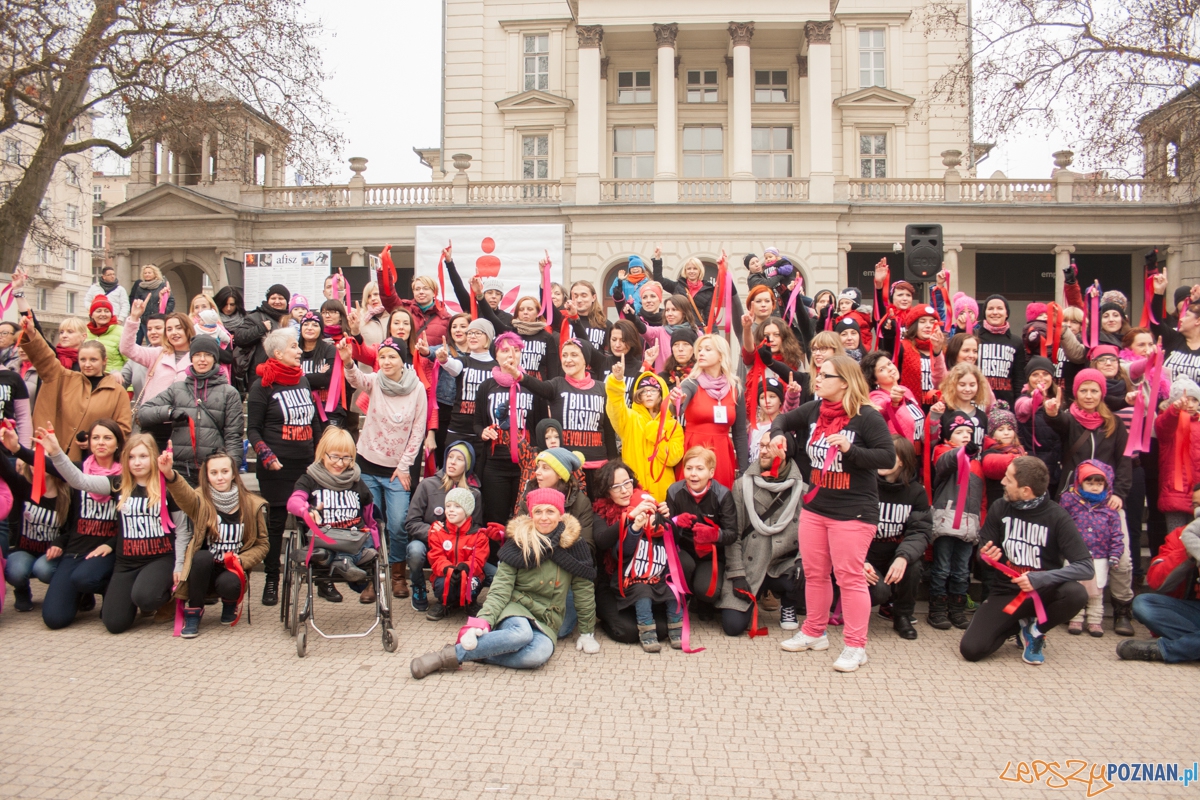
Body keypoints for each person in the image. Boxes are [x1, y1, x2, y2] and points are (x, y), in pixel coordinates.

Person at [770, 354, 895, 672]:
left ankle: (856, 646)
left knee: (850, 578)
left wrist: (852, 450)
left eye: (824, 376)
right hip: (816, 508)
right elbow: (782, 420)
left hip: (853, 512)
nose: (818, 380)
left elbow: (887, 457)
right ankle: (814, 632)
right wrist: (778, 437)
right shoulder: (814, 410)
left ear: (844, 382)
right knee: (814, 573)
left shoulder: (866, 417)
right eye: (818, 374)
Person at [409, 487, 599, 678]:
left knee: (537, 656)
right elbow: (500, 588)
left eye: (550, 511)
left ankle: (481, 653)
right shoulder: (518, 542)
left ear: (560, 515)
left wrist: (587, 632)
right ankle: (447, 656)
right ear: (531, 514)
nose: (544, 517)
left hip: (547, 618)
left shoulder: (575, 546)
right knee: (521, 634)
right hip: (516, 608)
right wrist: (483, 621)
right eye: (538, 511)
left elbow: (583, 590)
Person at [43, 429, 187, 634]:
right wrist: (57, 452)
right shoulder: (119, 484)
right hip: (126, 563)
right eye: (132, 457)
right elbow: (80, 481)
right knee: (114, 624)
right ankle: (130, 593)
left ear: (154, 457)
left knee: (146, 597)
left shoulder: (168, 485)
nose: (137, 462)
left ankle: (166, 598)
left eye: (143, 456)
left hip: (160, 558)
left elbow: (182, 529)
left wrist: (179, 565)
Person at [959, 457, 1093, 665]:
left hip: (1045, 593)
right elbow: (982, 555)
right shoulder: (1000, 507)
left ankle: (1037, 630)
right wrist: (986, 556)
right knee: (972, 649)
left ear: (1025, 491)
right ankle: (1018, 624)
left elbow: (1085, 566)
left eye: (1008, 479)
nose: (1002, 482)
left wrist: (1042, 578)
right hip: (1008, 593)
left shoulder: (1057, 517)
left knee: (1076, 593)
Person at [338, 335, 427, 602]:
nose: (386, 362)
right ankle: (371, 578)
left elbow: (418, 431)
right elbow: (356, 380)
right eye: (383, 357)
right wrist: (348, 362)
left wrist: (403, 468)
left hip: (397, 471)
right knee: (369, 524)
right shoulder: (376, 381)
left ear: (403, 361)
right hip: (366, 464)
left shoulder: (417, 389)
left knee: (398, 524)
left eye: (392, 357)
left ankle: (398, 576)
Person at [247, 328, 322, 606]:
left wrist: (317, 454)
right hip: (276, 468)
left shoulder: (302, 379)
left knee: (310, 520)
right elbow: (252, 430)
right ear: (278, 353)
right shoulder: (262, 386)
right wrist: (266, 455)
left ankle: (318, 578)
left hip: (305, 465)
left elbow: (313, 420)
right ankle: (271, 581)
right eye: (294, 346)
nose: (300, 350)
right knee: (277, 525)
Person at [160, 449, 269, 637]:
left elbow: (263, 544)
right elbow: (184, 495)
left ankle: (229, 604)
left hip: (231, 568)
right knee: (201, 557)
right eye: (214, 473)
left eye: (224, 472)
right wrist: (169, 474)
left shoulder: (251, 504)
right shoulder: (200, 500)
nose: (220, 477)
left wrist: (242, 560)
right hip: (204, 569)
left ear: (234, 473)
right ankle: (194, 612)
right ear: (207, 476)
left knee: (230, 583)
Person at [720, 432, 803, 637]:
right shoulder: (741, 486)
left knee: (807, 577)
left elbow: (811, 537)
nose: (763, 451)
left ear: (786, 452)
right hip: (749, 565)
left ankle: (788, 604)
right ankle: (750, 597)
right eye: (761, 446)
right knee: (732, 627)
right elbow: (734, 535)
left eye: (769, 446)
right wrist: (737, 574)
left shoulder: (803, 490)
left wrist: (802, 561)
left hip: (780, 565)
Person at [17, 316, 131, 461]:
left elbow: (124, 428)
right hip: (54, 459)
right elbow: (45, 358)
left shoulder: (117, 391)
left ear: (104, 361)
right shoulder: (64, 378)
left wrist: (95, 438)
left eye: (93, 360)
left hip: (93, 463)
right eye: (83, 360)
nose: (87, 364)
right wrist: (32, 333)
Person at [286, 428, 381, 603]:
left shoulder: (357, 483)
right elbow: (294, 502)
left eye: (346, 457)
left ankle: (333, 559)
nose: (340, 463)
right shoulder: (310, 479)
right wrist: (307, 510)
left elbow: (370, 517)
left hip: (353, 538)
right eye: (335, 456)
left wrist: (376, 540)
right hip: (323, 535)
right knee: (324, 548)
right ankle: (327, 557)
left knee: (360, 547)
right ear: (323, 454)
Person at [135, 337, 243, 485]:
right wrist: (169, 412)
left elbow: (233, 435)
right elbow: (143, 412)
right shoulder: (177, 388)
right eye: (197, 355)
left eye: (208, 355)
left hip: (214, 468)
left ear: (215, 358)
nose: (202, 359)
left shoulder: (229, 392)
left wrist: (232, 469)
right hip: (180, 467)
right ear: (191, 358)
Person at [1120, 484, 1200, 663]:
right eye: (1196, 505)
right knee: (1143, 604)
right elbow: (1156, 581)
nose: (1199, 511)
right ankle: (1193, 645)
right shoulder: (1181, 535)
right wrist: (1185, 555)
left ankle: (1168, 650)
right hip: (1192, 612)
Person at [404, 442, 483, 614]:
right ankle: (418, 587)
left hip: (460, 546)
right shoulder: (427, 485)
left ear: (467, 465)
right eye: (450, 457)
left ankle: (468, 597)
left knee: (491, 571)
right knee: (415, 550)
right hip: (430, 542)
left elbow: (476, 527)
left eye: (459, 459)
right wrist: (434, 533)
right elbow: (411, 522)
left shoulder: (474, 492)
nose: (452, 462)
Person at [870, 436, 932, 640]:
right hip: (866, 554)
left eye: (890, 455)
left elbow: (920, 531)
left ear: (902, 461)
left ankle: (902, 615)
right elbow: (848, 524)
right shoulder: (865, 485)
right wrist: (858, 560)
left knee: (912, 566)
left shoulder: (916, 492)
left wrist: (903, 557)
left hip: (894, 552)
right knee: (880, 592)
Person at [0, 428, 69, 612]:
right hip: (26, 550)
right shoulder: (24, 486)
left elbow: (73, 529)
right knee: (14, 570)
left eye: (40, 457)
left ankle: (64, 592)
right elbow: (6, 471)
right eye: (32, 456)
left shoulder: (68, 494)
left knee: (43, 570)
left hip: (53, 554)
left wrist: (59, 543)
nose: (34, 463)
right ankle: (22, 591)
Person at [662, 446, 737, 615]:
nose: (693, 474)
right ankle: (682, 597)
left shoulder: (723, 494)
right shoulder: (674, 491)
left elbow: (732, 533)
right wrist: (675, 522)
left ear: (711, 473)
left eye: (699, 469)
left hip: (710, 555)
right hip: (683, 550)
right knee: (683, 565)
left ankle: (699, 598)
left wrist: (714, 535)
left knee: (707, 592)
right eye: (689, 468)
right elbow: (665, 531)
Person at [928, 412, 985, 630]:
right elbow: (945, 463)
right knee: (942, 568)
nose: (965, 436)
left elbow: (983, 497)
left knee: (962, 570)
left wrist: (982, 521)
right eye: (959, 432)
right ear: (949, 436)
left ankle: (957, 608)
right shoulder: (943, 452)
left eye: (969, 433)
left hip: (970, 524)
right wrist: (961, 452)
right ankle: (937, 609)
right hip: (947, 521)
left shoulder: (978, 465)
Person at [670, 334, 748, 489]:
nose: (701, 353)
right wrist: (676, 402)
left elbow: (740, 433)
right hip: (694, 450)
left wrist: (745, 470)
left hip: (722, 453)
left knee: (720, 499)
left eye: (707, 349)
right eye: (699, 350)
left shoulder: (735, 388)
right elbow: (676, 411)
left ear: (721, 356)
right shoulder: (690, 383)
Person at [1058, 461, 1125, 637]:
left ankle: (1095, 621)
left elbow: (1117, 535)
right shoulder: (1070, 502)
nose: (1094, 487)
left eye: (1099, 483)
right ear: (1080, 482)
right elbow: (1060, 524)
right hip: (1075, 555)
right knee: (1076, 587)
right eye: (1089, 482)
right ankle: (1075, 618)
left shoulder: (1109, 510)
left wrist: (1115, 554)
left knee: (1097, 592)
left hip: (1100, 556)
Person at [604, 363, 683, 501]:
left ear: (661, 394)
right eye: (643, 391)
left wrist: (656, 434)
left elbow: (673, 458)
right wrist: (616, 382)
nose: (648, 394)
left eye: (653, 390)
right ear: (637, 396)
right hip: (634, 494)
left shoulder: (673, 425)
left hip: (663, 495)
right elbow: (615, 407)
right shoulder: (629, 419)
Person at [438, 317, 497, 474]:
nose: (472, 336)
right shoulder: (462, 362)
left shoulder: (496, 368)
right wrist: (444, 360)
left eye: (478, 333)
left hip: (483, 434)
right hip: (458, 430)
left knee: (477, 480)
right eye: (470, 333)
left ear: (488, 338)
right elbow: (452, 366)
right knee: (451, 477)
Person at [121, 301, 193, 416]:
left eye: (179, 328)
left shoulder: (197, 357)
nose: (174, 333)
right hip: (152, 416)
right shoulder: (158, 353)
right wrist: (134, 318)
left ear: (188, 329)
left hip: (182, 420)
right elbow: (127, 348)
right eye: (169, 329)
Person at [424, 488, 488, 619]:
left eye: (457, 506)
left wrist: (465, 567)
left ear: (468, 510)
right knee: (442, 583)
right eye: (448, 506)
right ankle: (444, 603)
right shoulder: (437, 531)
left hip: (468, 574)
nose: (451, 510)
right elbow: (436, 557)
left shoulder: (479, 534)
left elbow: (479, 559)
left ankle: (470, 603)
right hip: (445, 574)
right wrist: (447, 568)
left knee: (472, 582)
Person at [1155, 377, 1200, 534]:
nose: (1191, 404)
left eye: (1195, 400)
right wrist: (1174, 410)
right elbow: (1164, 425)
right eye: (1186, 400)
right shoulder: (1167, 420)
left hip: (1197, 495)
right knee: (1176, 542)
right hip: (1175, 494)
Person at [975, 294, 1025, 405]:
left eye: (1000, 308)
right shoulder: (974, 337)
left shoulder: (1016, 342)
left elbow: (1019, 378)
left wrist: (1018, 404)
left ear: (1006, 313)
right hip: (977, 402)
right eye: (990, 308)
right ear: (984, 313)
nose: (995, 312)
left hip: (1006, 405)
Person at [237, 284, 293, 379]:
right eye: (273, 298)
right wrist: (261, 328)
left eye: (281, 298)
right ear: (268, 300)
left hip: (286, 372)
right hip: (261, 374)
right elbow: (239, 337)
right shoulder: (256, 317)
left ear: (287, 301)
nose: (277, 301)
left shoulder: (292, 319)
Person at [128, 265, 174, 343]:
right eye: (145, 273)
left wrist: (165, 312)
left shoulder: (162, 285)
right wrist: (140, 316)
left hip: (160, 319)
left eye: (149, 272)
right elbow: (136, 302)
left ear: (155, 273)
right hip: (145, 320)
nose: (147, 274)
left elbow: (171, 301)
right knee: (150, 343)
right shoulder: (140, 288)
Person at [85, 295, 126, 373]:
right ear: (92, 315)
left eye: (107, 311)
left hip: (113, 380)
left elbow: (130, 362)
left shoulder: (121, 332)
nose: (103, 314)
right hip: (88, 380)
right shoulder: (85, 332)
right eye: (99, 311)